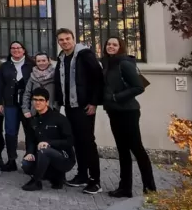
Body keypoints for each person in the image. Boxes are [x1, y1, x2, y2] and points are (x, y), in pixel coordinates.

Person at [101, 36, 156, 197]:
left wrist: (117, 97)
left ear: (120, 47)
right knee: (122, 150)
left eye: (114, 44)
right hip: (114, 111)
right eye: (108, 44)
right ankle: (125, 188)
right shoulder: (107, 63)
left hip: (128, 112)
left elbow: (139, 87)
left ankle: (150, 188)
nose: (111, 46)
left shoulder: (124, 63)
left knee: (137, 149)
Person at [56, 28, 105, 194]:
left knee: (88, 142)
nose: (65, 42)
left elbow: (98, 78)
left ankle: (95, 180)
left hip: (85, 106)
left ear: (73, 39)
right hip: (70, 106)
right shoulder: (62, 57)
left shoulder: (85, 55)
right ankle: (82, 174)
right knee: (77, 141)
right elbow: (59, 81)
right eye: (61, 40)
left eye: (67, 39)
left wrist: (94, 103)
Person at [21, 92, 76, 191]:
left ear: (47, 102)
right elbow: (31, 141)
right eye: (35, 100)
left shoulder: (59, 118)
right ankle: (52, 175)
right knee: (26, 164)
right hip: (42, 156)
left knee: (44, 149)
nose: (37, 102)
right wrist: (29, 153)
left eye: (41, 100)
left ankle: (36, 182)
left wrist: (49, 143)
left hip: (64, 158)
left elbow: (70, 141)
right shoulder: (33, 120)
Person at [0, 41, 33, 172]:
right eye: (13, 48)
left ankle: (29, 161)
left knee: (30, 132)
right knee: (10, 133)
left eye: (18, 48)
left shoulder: (31, 65)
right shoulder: (4, 66)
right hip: (10, 104)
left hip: (28, 105)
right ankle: (11, 160)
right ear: (10, 51)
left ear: (23, 50)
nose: (15, 50)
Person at [20, 52, 58, 169]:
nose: (41, 63)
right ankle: (32, 162)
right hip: (34, 113)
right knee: (32, 137)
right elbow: (27, 94)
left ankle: (51, 166)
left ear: (49, 61)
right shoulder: (32, 76)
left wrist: (55, 108)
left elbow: (58, 94)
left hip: (50, 113)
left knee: (50, 138)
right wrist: (25, 109)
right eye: (38, 61)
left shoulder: (55, 75)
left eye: (44, 60)